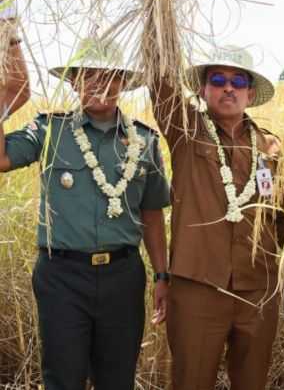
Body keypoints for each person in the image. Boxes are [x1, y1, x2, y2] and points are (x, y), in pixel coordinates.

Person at [0, 31, 170, 390]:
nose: (99, 83)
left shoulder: (146, 141)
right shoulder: (50, 130)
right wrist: (5, 98)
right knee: (63, 378)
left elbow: (152, 214)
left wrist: (162, 275)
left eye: (110, 75)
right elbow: (2, 158)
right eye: (88, 74)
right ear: (74, 82)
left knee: (117, 380)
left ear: (123, 83)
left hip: (123, 278)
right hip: (62, 277)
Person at [145, 39, 284, 390]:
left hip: (258, 290)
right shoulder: (186, 131)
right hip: (198, 287)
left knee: (251, 383)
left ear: (250, 93)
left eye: (238, 82)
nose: (228, 88)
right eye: (218, 80)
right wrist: (158, 12)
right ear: (203, 90)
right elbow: (160, 85)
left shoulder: (270, 147)